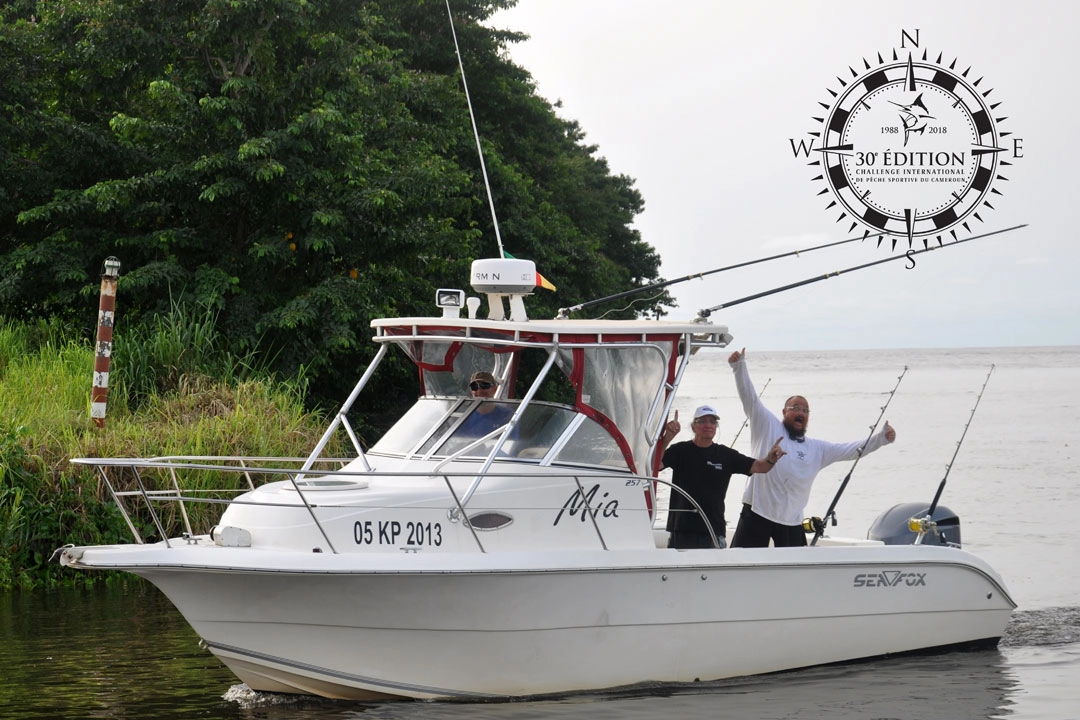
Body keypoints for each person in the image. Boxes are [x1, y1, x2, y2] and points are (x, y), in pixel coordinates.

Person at [727, 348, 897, 548]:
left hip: (791, 521)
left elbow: (852, 449)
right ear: (784, 412)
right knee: (743, 564)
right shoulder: (767, 425)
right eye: (795, 408)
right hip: (757, 512)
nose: (801, 412)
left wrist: (881, 439)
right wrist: (739, 367)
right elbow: (751, 399)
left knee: (795, 574)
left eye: (805, 410)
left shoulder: (817, 449)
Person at [658, 405, 785, 549]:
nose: (708, 425)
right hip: (681, 529)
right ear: (693, 427)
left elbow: (760, 467)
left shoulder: (725, 455)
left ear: (716, 427)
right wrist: (666, 439)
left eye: (712, 422)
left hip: (713, 530)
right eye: (703, 421)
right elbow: (654, 466)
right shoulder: (679, 450)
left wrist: (771, 458)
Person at [456, 371, 513, 439]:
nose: (479, 390)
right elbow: (457, 442)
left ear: (494, 390)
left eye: (484, 385)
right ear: (471, 392)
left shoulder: (507, 415)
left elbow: (511, 445)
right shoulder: (464, 417)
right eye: (474, 386)